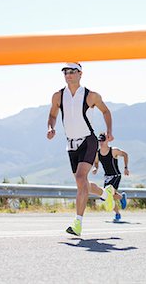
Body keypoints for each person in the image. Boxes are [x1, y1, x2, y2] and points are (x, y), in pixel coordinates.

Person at [47, 62, 114, 236]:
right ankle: (105, 194)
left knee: (80, 177)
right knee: (81, 182)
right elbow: (53, 115)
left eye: (72, 71)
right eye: (65, 72)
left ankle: (78, 223)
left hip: (88, 141)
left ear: (80, 74)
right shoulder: (58, 96)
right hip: (70, 143)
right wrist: (50, 127)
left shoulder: (90, 95)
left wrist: (109, 131)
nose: (68, 74)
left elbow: (106, 111)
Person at [93, 133, 129, 222]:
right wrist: (95, 168)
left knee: (109, 195)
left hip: (116, 176)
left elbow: (125, 154)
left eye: (102, 140)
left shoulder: (113, 150)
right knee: (106, 197)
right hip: (107, 177)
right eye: (99, 141)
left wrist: (125, 168)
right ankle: (120, 201)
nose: (101, 142)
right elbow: (96, 162)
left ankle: (117, 214)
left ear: (107, 140)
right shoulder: (97, 153)